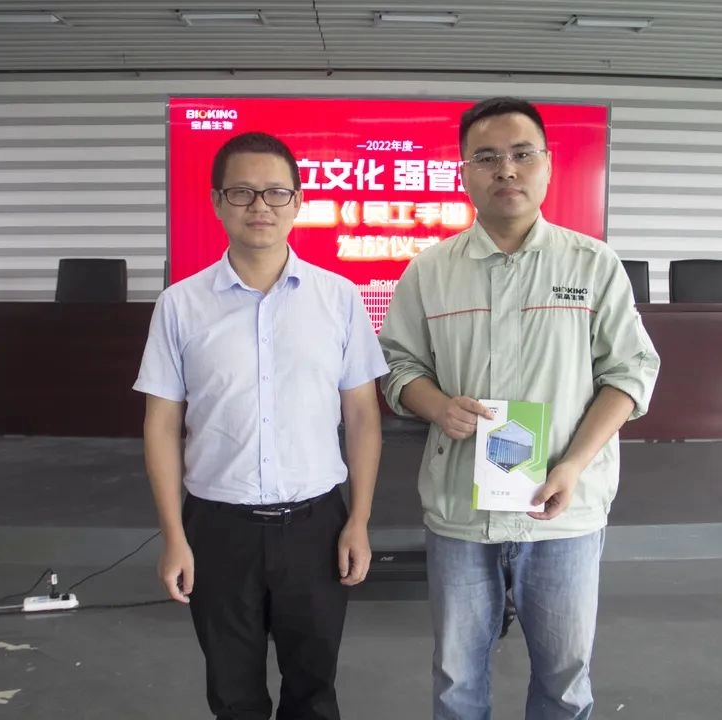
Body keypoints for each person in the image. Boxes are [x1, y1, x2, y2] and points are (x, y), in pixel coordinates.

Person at [378, 97, 660, 720]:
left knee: (564, 680)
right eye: (485, 157)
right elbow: (398, 368)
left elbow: (631, 373)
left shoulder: (593, 265)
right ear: (463, 172)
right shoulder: (429, 271)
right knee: (456, 681)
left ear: (548, 165)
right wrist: (436, 405)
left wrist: (573, 466)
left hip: (563, 511)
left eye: (521, 154)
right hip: (461, 511)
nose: (505, 169)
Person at [134, 131, 387, 720]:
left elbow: (362, 416)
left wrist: (359, 520)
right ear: (217, 202)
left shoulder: (339, 298)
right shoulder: (180, 305)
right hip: (217, 529)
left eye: (276, 192)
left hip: (317, 527)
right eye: (242, 192)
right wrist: (174, 535)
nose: (260, 206)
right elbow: (161, 426)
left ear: (297, 203)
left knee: (314, 692)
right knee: (233, 695)